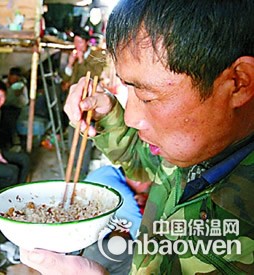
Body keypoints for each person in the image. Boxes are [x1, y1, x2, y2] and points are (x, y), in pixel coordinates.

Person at [20, 0, 254, 274]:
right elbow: (143, 161)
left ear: (238, 82)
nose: (131, 116)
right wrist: (107, 113)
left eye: (147, 96)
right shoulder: (191, 150)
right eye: (127, 88)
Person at [62, 28, 108, 178]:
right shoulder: (75, 57)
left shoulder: (98, 55)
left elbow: (92, 78)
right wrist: (70, 64)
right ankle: (73, 168)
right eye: (75, 42)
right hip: (75, 104)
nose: (77, 45)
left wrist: (81, 61)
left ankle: (81, 174)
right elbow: (68, 79)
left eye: (79, 42)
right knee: (72, 137)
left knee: (85, 138)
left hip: (89, 104)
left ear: (87, 42)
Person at [0, 67, 29, 150]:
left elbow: (26, 102)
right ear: (9, 76)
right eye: (13, 78)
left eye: (16, 79)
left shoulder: (21, 86)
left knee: (10, 119)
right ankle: (5, 142)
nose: (14, 81)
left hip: (15, 109)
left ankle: (14, 142)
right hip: (1, 107)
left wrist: (19, 95)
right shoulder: (2, 83)